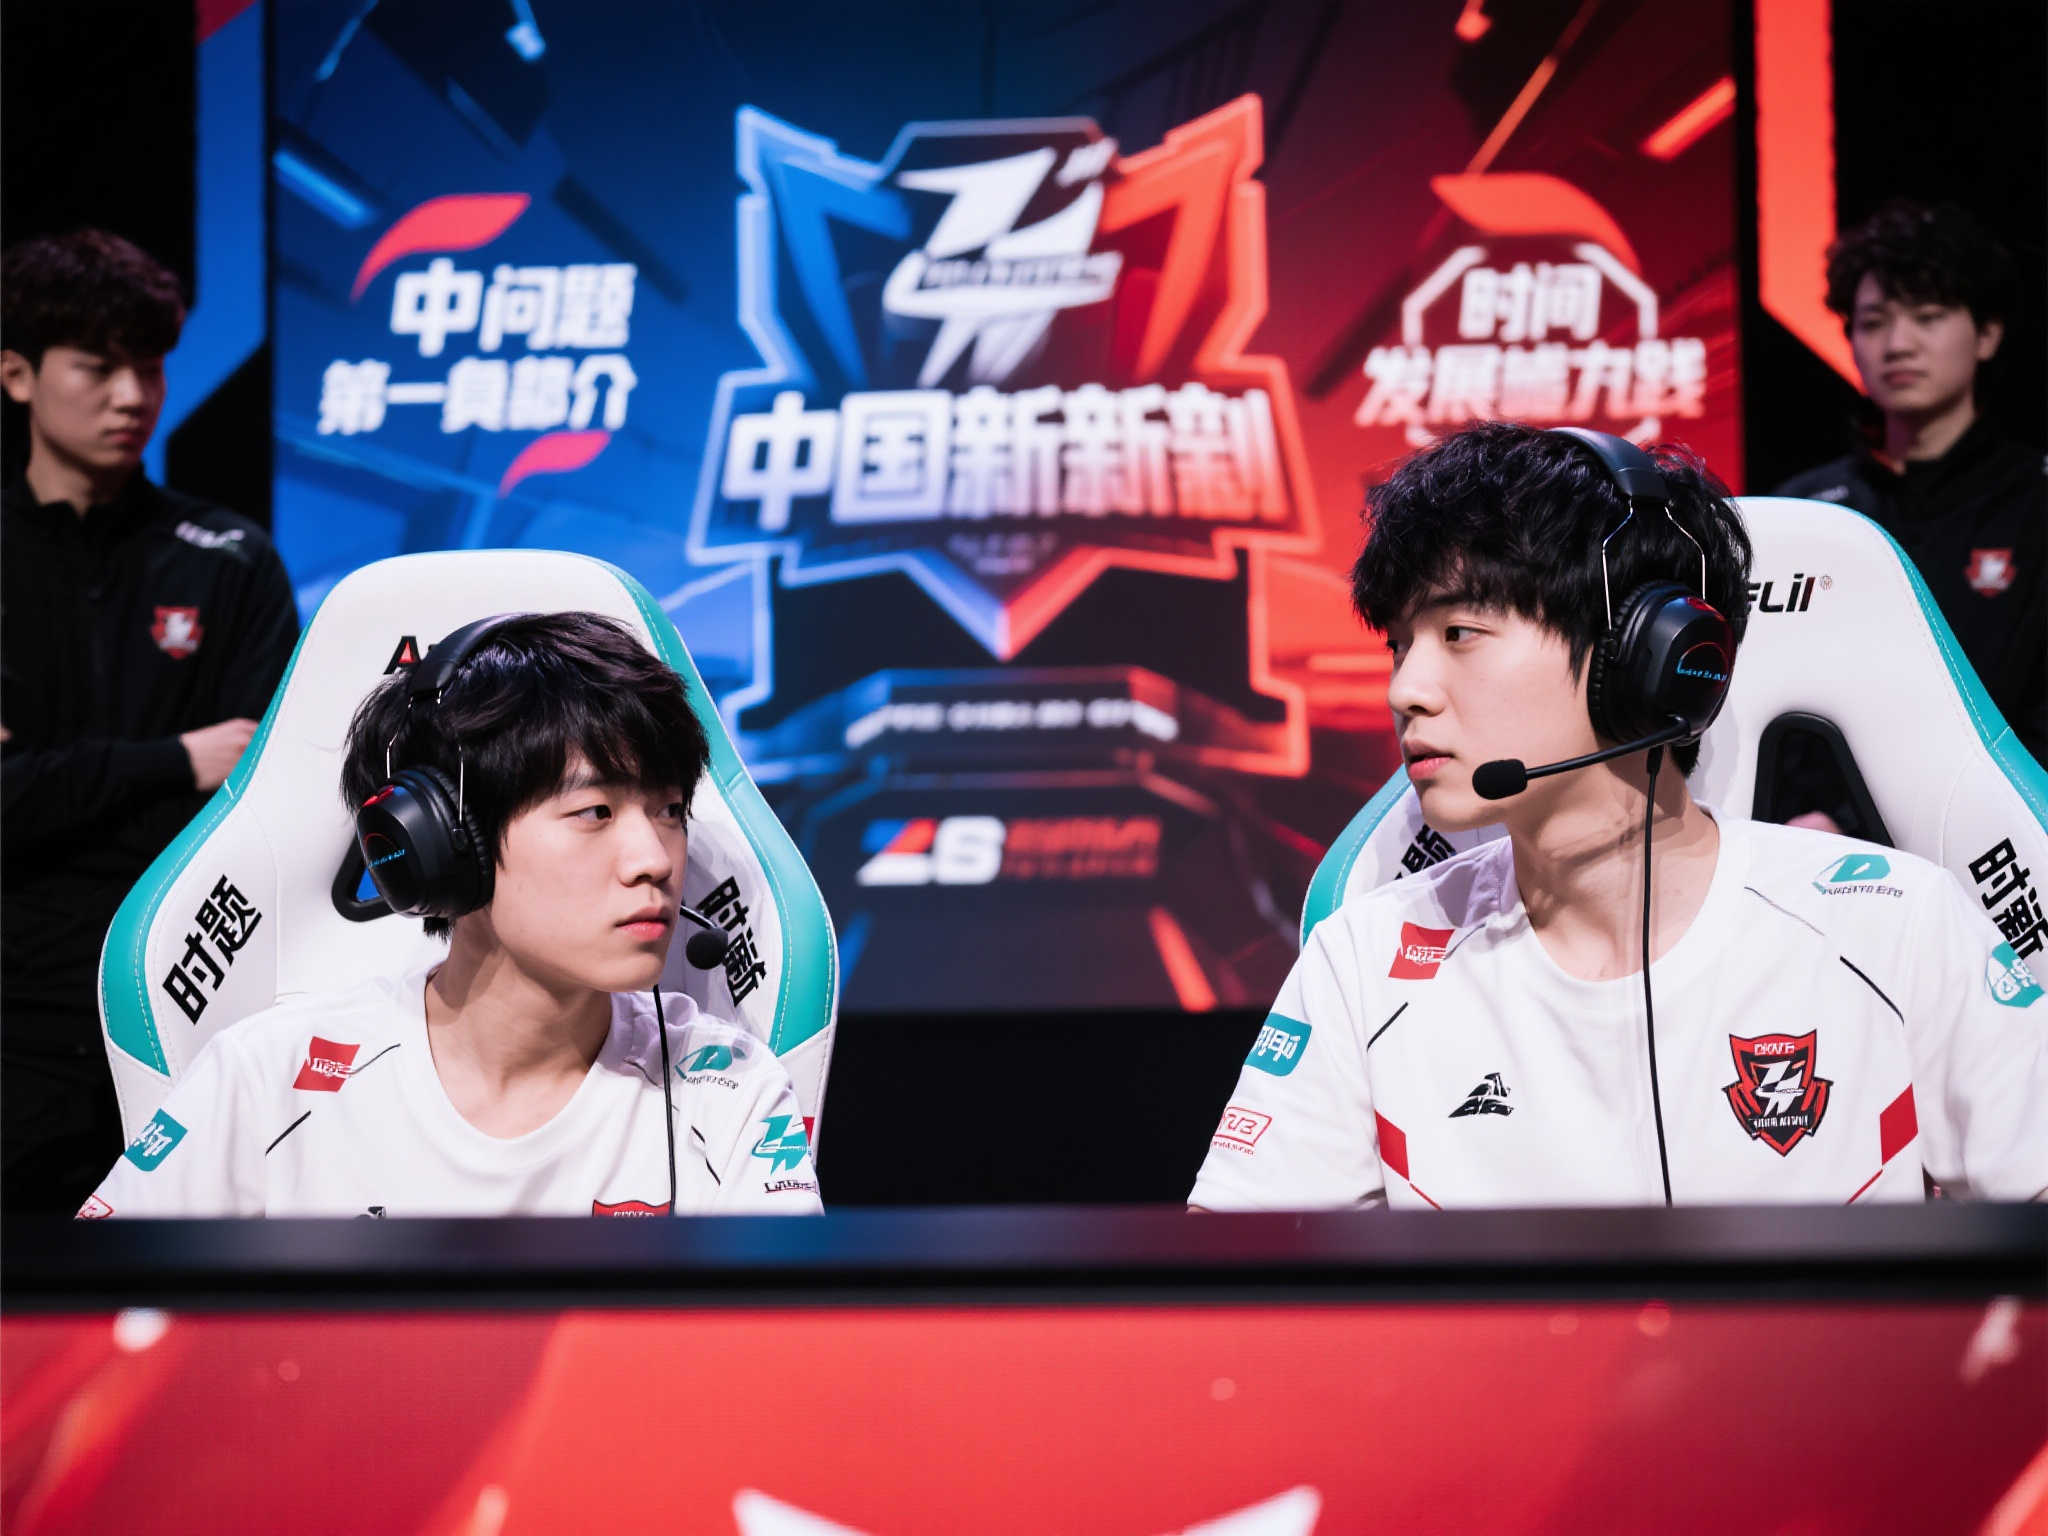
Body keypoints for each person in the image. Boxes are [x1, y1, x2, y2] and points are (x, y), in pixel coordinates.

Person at [1189, 423, 2048, 1210]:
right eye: (1399, 646)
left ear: (1644, 659)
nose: (1405, 690)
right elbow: (1237, 1290)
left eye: (1459, 634)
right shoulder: (1361, 961)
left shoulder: (1898, 929)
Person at [81, 611, 823, 1217]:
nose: (654, 859)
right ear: (442, 845)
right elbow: (90, 1329)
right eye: (595, 811)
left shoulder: (729, 1093)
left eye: (669, 811)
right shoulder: (265, 1076)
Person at [2, 229, 299, 1216]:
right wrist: (174, 760)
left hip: (200, 995)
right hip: (17, 1013)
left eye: (150, 367)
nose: (132, 396)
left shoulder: (230, 559)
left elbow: (264, 796)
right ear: (17, 375)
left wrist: (50, 779)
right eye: (97, 367)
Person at [1775, 200, 2044, 766]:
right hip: (1815, 820)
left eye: (1927, 316)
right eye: (1874, 323)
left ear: (1987, 335)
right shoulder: (1802, 511)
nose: (1898, 344)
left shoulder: (2034, 502)